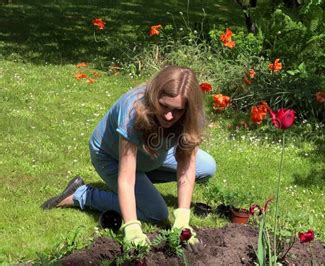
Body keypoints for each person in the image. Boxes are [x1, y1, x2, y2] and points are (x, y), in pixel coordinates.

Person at [41, 66, 216, 250]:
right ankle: (81, 195)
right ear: (155, 95)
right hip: (111, 156)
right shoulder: (134, 109)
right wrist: (132, 227)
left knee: (207, 167)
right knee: (156, 213)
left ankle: (143, 187)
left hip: (152, 154)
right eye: (163, 105)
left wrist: (182, 220)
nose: (169, 115)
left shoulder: (191, 114)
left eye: (177, 110)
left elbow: (186, 166)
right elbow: (126, 178)